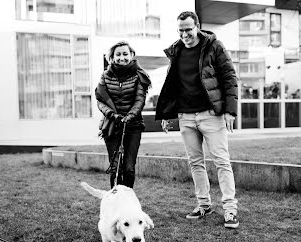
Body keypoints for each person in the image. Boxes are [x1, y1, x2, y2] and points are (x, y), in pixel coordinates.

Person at [155, 11, 239, 228]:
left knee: (221, 161)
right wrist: (167, 114)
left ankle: (230, 210)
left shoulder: (214, 46)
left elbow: (229, 77)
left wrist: (230, 111)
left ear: (198, 27)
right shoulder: (176, 51)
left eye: (188, 30)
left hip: (211, 115)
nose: (185, 34)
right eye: (181, 30)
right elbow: (171, 85)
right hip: (186, 116)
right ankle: (204, 205)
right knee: (195, 163)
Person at [96, 41, 151, 189]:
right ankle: (115, 201)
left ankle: (127, 200)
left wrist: (130, 116)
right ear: (112, 57)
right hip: (112, 125)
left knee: (128, 168)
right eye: (118, 54)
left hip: (133, 126)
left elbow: (140, 100)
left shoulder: (139, 75)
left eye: (125, 54)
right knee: (115, 168)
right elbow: (100, 101)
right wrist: (113, 115)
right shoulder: (105, 76)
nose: (122, 57)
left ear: (131, 55)